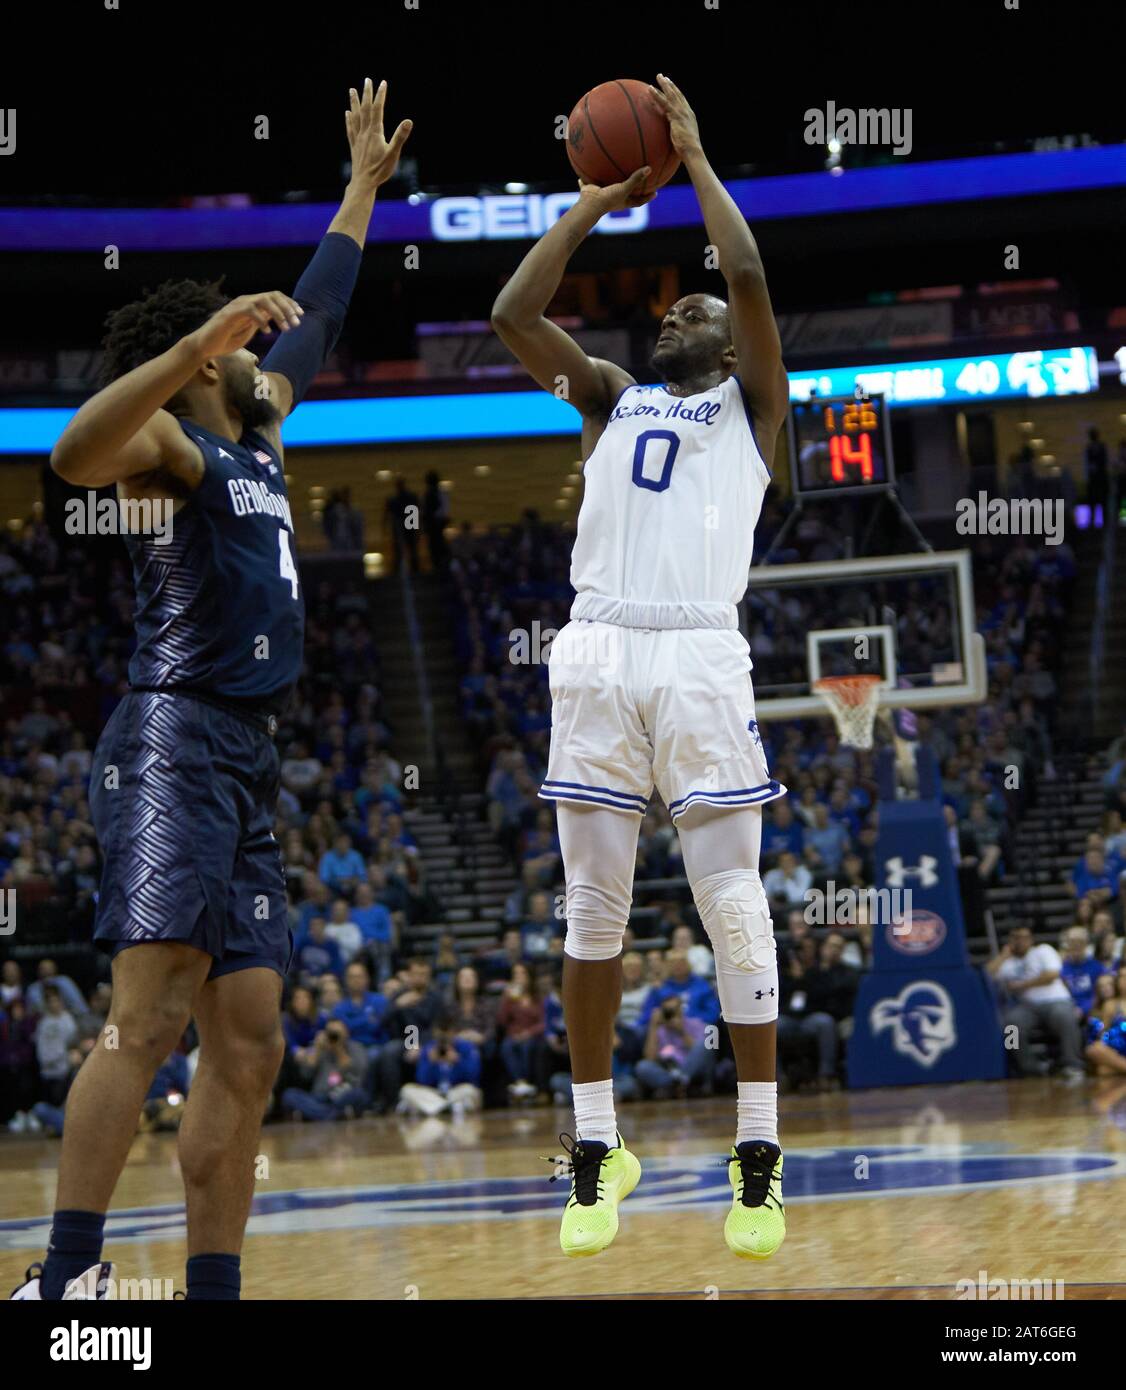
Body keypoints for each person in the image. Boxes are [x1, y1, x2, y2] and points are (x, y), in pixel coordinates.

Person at [11, 79, 412, 1306]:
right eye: (247, 352)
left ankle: (213, 1291)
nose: (269, 358)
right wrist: (198, 342)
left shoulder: (260, 434)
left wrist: (357, 192)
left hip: (246, 754)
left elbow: (326, 313)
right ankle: (67, 1276)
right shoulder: (175, 449)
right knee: (149, 1018)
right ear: (208, 366)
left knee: (251, 1040)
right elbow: (68, 454)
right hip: (171, 739)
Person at [494, 78, 790, 1258]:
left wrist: (698, 162)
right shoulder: (609, 400)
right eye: (667, 308)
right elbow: (516, 313)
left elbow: (754, 278)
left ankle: (758, 1150)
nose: (675, 314)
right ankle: (594, 1145)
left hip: (700, 650)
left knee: (731, 904)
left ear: (729, 344)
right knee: (593, 912)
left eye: (693, 311)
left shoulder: (755, 410)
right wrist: (591, 205)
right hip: (599, 647)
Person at [987, 924, 1084, 1081]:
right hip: (1027, 1006)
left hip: (1056, 1000)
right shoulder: (1007, 962)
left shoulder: (1043, 951)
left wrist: (1021, 985)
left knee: (1066, 1017)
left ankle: (1072, 1064)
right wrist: (1003, 956)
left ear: (1031, 939)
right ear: (1010, 940)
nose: (1020, 942)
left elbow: (1051, 975)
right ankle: (1028, 1067)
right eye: (1016, 938)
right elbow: (986, 976)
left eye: (1024, 938)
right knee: (1010, 1025)